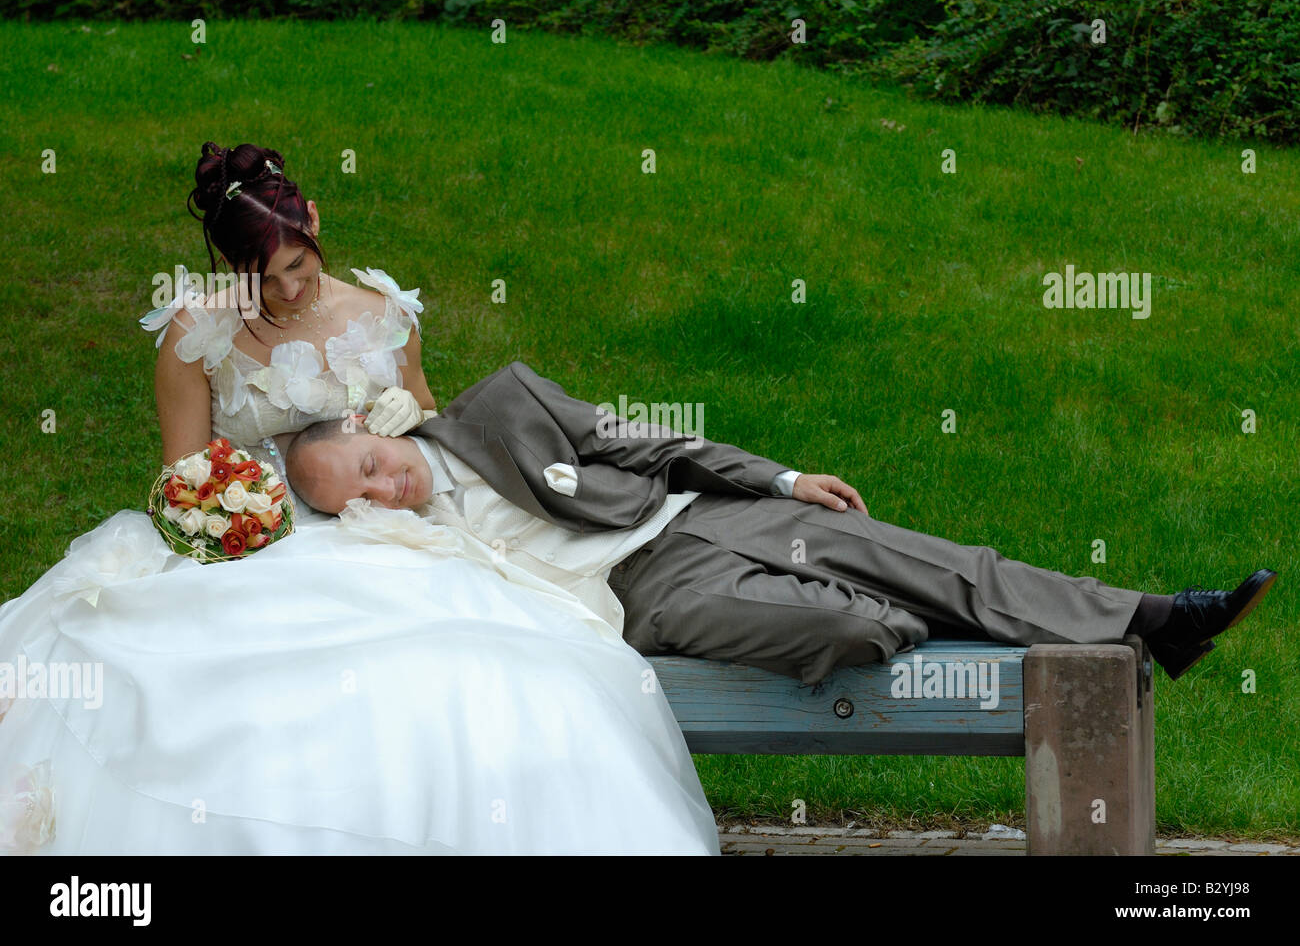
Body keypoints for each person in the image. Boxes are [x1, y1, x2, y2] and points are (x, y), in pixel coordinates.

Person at [0, 142, 721, 856]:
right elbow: (180, 476)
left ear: (314, 223)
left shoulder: (382, 312)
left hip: (379, 529)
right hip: (248, 543)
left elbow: (427, 408)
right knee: (221, 696)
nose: (285, 292)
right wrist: (229, 505)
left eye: (295, 267)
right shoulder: (196, 333)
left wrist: (410, 405)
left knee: (468, 672)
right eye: (260, 279)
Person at [284, 361, 1278, 687]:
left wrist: (784, 475)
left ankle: (1158, 617)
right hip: (650, 598)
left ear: (378, 425)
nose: (380, 490)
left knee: (921, 555)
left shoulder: (501, 403)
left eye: (371, 463)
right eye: (354, 496)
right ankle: (941, 613)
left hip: (697, 518)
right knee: (857, 626)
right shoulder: (389, 548)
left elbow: (640, 440)